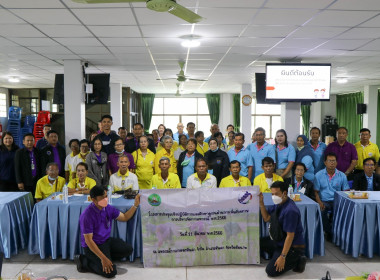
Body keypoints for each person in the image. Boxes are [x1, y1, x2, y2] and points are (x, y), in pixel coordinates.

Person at [75, 186, 140, 278]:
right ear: (94, 200)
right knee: (110, 273)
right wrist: (103, 258)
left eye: (106, 196)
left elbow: (125, 217)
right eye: (102, 198)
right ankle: (83, 261)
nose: (106, 199)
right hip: (93, 246)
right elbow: (89, 241)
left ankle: (105, 259)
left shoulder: (107, 208)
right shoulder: (87, 215)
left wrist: (135, 205)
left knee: (128, 249)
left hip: (106, 241)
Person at [259, 181, 307, 277]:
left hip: (293, 247)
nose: (274, 197)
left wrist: (282, 256)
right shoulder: (279, 203)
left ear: (284, 193)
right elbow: (267, 218)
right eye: (272, 194)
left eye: (276, 194)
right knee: (258, 242)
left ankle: (297, 260)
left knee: (270, 271)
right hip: (279, 240)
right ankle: (277, 254)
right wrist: (261, 203)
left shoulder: (290, 210)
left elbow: (290, 236)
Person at [314, 152, 349, 240]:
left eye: (333, 161)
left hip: (337, 200)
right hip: (324, 200)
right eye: (329, 161)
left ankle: (335, 232)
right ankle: (330, 233)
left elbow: (346, 191)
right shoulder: (318, 175)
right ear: (325, 162)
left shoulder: (342, 175)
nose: (332, 163)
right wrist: (319, 202)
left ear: (337, 162)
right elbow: (315, 192)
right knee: (322, 212)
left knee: (343, 211)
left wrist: (343, 203)